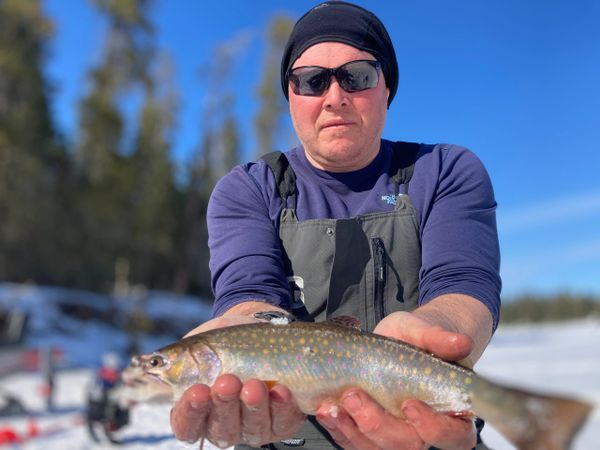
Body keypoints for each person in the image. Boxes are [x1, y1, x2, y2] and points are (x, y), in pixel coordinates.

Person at [171, 1, 501, 449]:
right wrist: (245, 330)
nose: (334, 96)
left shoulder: (444, 170)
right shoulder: (249, 188)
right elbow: (248, 295)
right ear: (290, 96)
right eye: (311, 80)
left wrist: (432, 339)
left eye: (357, 75)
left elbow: (462, 283)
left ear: (387, 89)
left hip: (425, 423)